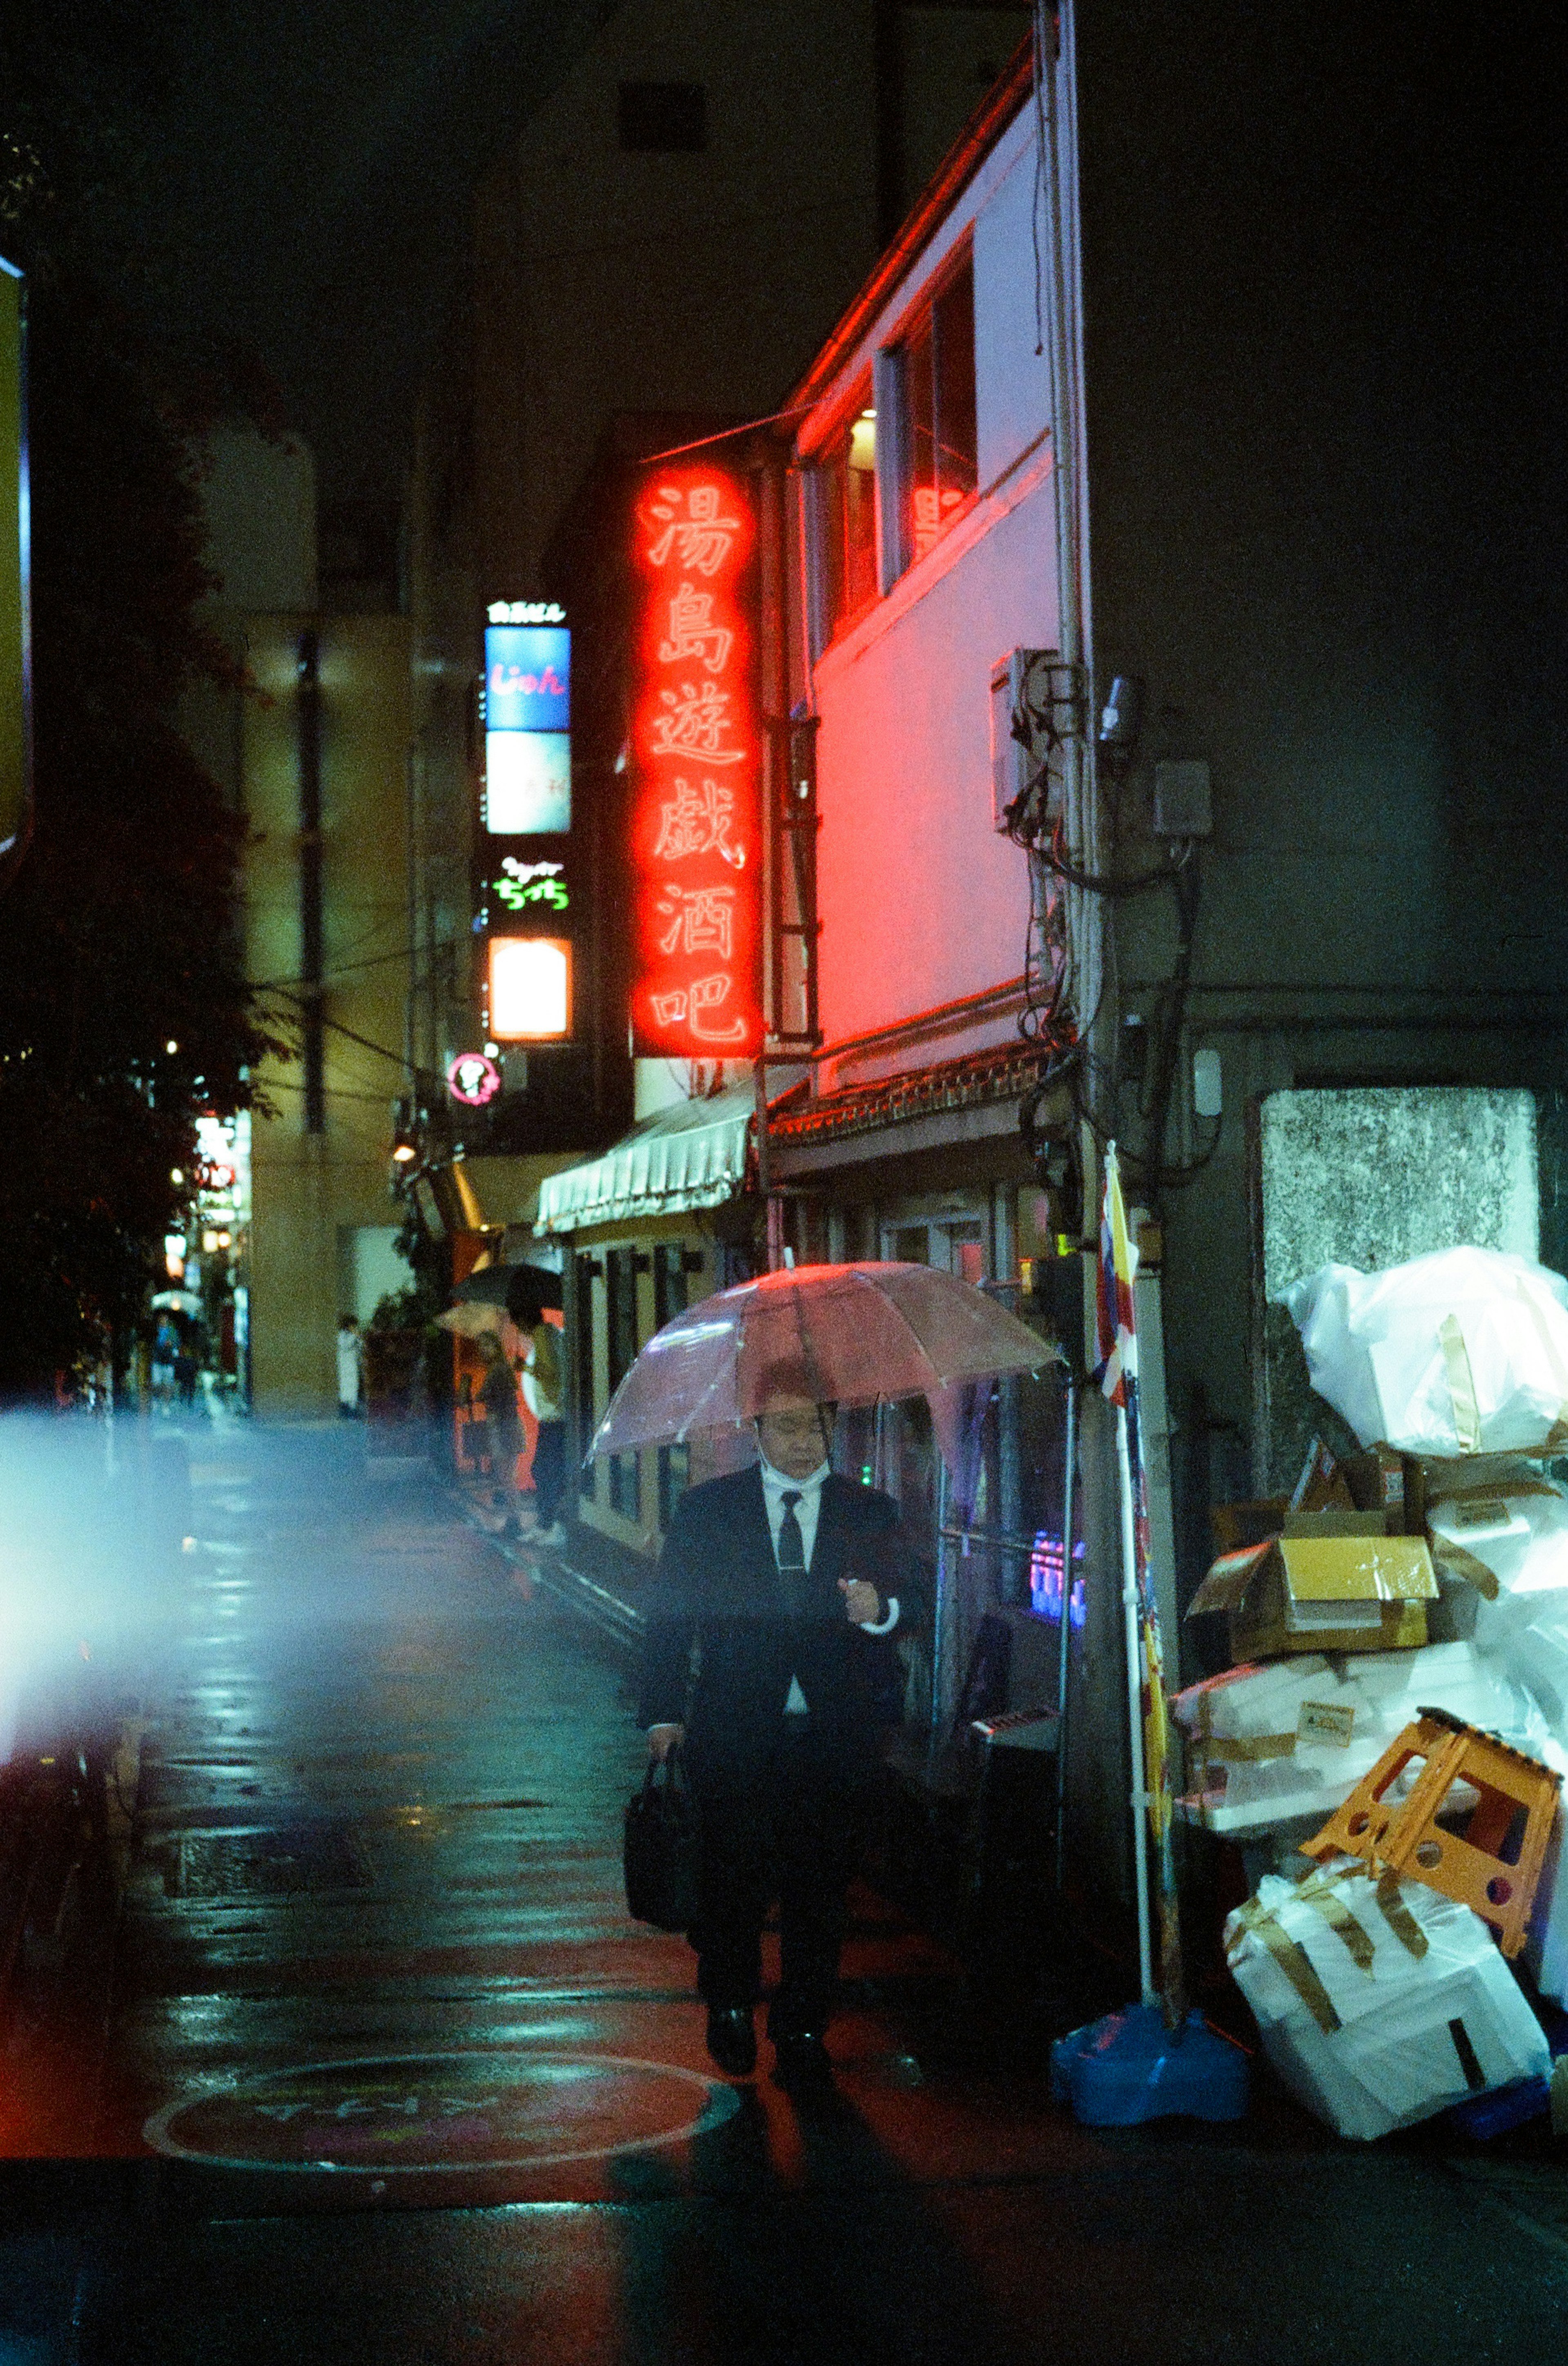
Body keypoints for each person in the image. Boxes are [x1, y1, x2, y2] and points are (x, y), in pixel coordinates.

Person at [638, 1360, 916, 2090]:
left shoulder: (870, 1511)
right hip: (734, 1731)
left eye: (819, 1422)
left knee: (820, 1890)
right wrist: (663, 1712)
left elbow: (913, 1597)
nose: (806, 1440)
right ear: (754, 1427)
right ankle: (729, 2002)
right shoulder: (709, 1510)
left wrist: (879, 1610)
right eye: (788, 1424)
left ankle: (801, 2024)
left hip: (831, 1736)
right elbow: (669, 1617)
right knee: (732, 1881)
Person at [513, 1283, 567, 1549]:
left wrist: (526, 1368)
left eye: (516, 1323)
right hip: (554, 1415)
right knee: (546, 1470)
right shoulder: (550, 1334)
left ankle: (553, 1526)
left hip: (555, 1417)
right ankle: (546, 1524)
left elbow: (552, 1375)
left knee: (545, 1471)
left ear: (522, 1319)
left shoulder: (544, 1336)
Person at [477, 1330, 525, 1537]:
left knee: (506, 1475)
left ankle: (514, 1520)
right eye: (482, 1347)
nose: (483, 1350)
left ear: (495, 1346)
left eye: (487, 1345)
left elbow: (484, 1394)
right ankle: (513, 1520)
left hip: (503, 1425)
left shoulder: (497, 1370)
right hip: (509, 1424)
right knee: (507, 1475)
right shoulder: (502, 1368)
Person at [336, 1315, 363, 1417]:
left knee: (354, 1385)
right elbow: (346, 1346)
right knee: (346, 1386)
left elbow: (361, 1346)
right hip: (345, 1365)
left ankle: (353, 1408)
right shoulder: (342, 1335)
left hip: (353, 1364)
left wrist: (359, 1338)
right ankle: (345, 1409)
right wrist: (354, 1336)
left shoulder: (355, 1335)